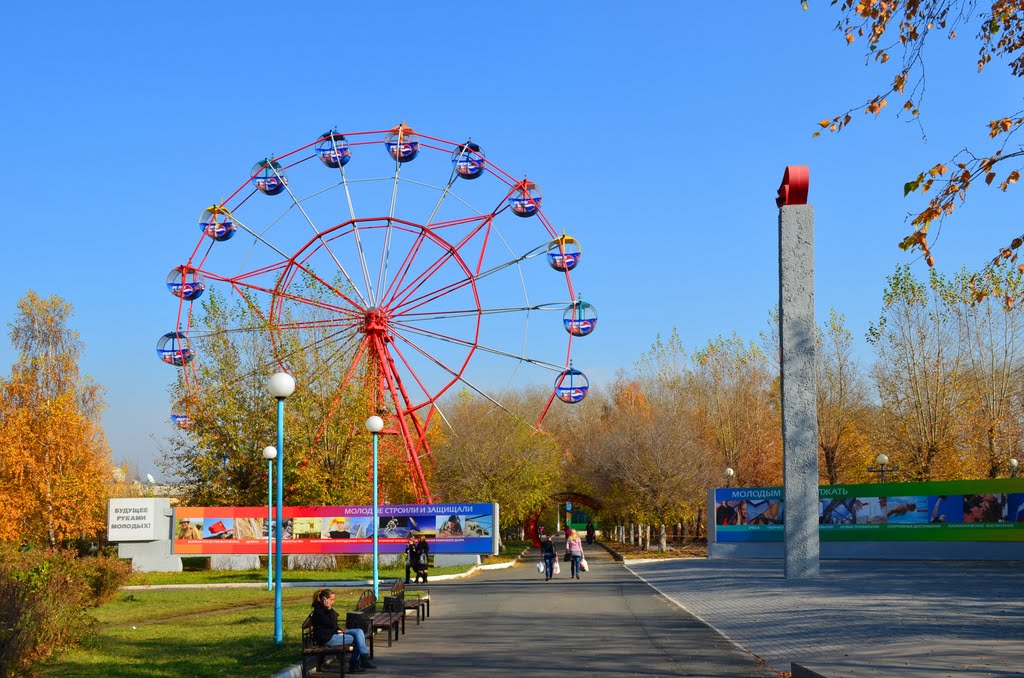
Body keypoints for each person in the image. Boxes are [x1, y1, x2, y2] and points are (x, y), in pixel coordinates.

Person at [310, 588, 376, 673]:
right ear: (324, 599)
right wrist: (329, 609)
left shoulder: (326, 610)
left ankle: (363, 657)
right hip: (328, 639)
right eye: (332, 600)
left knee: (359, 632)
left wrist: (338, 630)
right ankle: (355, 664)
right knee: (358, 639)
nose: (333, 602)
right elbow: (332, 624)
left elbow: (334, 625)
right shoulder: (319, 612)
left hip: (334, 633)